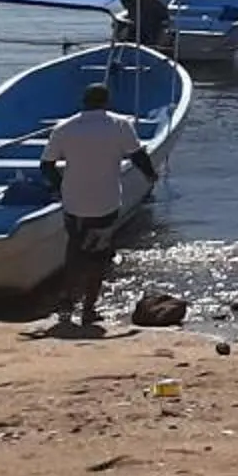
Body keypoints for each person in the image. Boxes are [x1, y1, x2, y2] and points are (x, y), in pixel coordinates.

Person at [41, 82, 158, 334]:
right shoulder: (120, 125)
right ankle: (89, 309)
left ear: (83, 102)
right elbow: (137, 155)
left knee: (74, 251)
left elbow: (46, 166)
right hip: (105, 203)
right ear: (106, 102)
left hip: (74, 204)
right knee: (98, 256)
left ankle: (65, 305)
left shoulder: (64, 128)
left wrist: (59, 187)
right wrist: (151, 176)